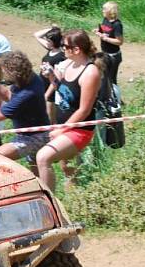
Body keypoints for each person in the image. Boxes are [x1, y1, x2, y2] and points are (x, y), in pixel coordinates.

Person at [36, 30, 101, 191]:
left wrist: (61, 129)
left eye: (65, 46)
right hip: (65, 125)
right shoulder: (70, 65)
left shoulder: (90, 72)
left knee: (43, 158)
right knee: (68, 170)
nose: (62, 49)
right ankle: (75, 199)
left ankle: (48, 203)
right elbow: (64, 91)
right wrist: (51, 77)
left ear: (77, 49)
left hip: (79, 129)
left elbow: (84, 110)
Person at [0, 50, 48, 167]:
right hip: (27, 133)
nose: (3, 74)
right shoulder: (30, 77)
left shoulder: (26, 94)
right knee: (35, 170)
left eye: (4, 71)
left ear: (14, 73)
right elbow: (7, 95)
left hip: (33, 137)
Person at [34, 25, 66, 120]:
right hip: (42, 86)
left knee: (50, 118)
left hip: (50, 90)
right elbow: (36, 35)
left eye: (49, 41)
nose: (46, 42)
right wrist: (52, 29)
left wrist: (47, 95)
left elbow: (56, 78)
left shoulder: (61, 57)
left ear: (54, 42)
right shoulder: (50, 50)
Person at [94, 1, 124, 84]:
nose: (102, 11)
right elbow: (105, 30)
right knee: (104, 77)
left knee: (111, 80)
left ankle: (114, 96)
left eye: (104, 9)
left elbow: (119, 41)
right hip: (105, 53)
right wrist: (98, 31)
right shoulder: (105, 19)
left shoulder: (117, 24)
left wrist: (105, 38)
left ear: (110, 11)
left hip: (113, 56)